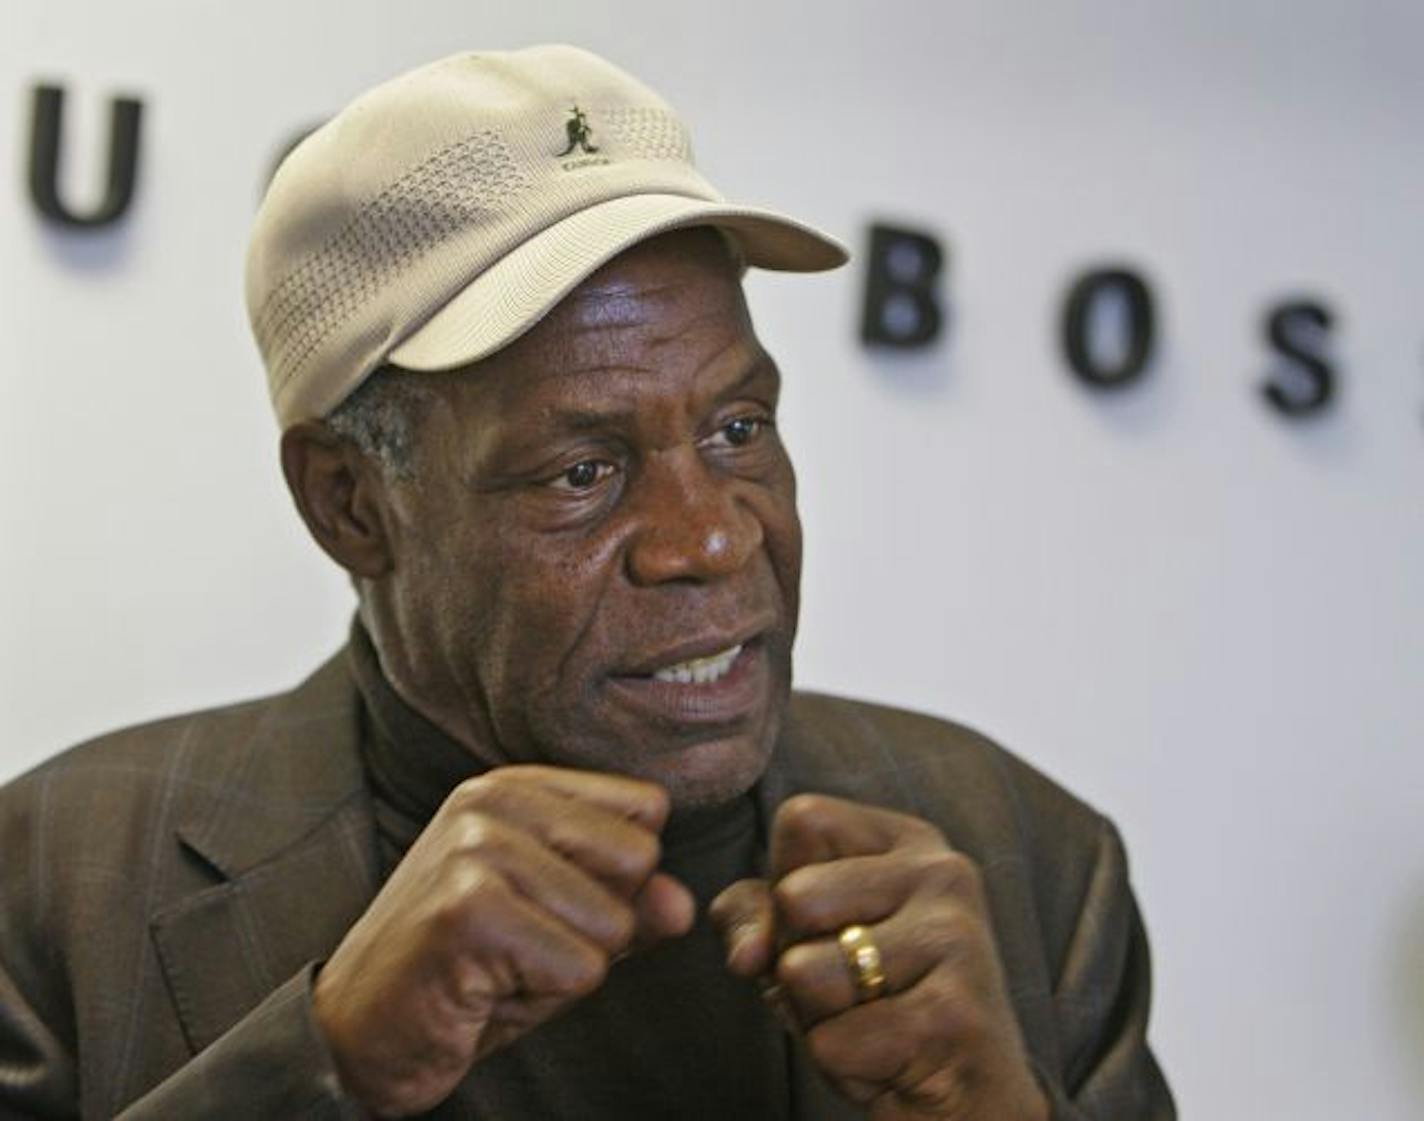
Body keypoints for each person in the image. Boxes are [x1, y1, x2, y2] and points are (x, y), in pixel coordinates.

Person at [0, 45, 1174, 1120]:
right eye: (582, 469)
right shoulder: (56, 881)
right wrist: (321, 1066)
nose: (707, 540)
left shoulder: (1028, 857)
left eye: (735, 428)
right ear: (349, 504)